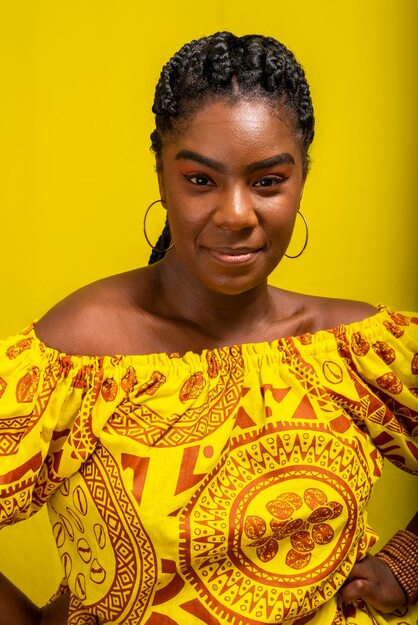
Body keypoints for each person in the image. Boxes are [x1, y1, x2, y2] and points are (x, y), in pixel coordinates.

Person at [0, 31, 417, 625]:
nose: (236, 215)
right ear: (162, 177)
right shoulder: (81, 352)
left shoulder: (353, 348)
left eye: (268, 181)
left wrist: (407, 564)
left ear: (301, 178)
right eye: (201, 180)